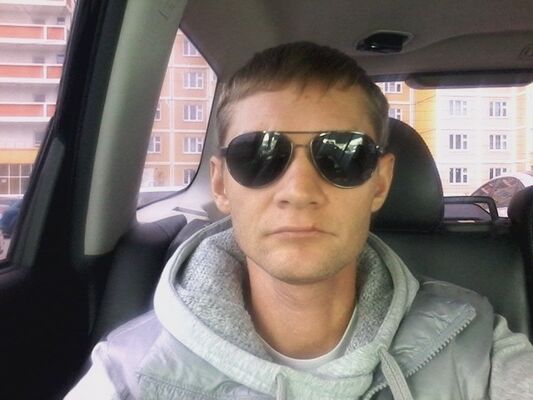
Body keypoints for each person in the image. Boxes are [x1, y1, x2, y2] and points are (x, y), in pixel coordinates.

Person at [65, 42, 533, 400]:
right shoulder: (131, 374)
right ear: (222, 184)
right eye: (259, 154)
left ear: (380, 183)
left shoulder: (478, 348)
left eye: (343, 155)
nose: (299, 191)